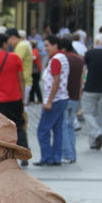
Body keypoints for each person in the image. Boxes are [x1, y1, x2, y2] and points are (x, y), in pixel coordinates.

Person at [0, 33, 29, 160]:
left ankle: (3, 155)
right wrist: (23, 97)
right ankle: (23, 153)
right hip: (15, 98)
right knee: (18, 126)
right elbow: (21, 80)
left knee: (0, 128)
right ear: (4, 44)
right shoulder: (15, 58)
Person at [34, 34, 69, 167]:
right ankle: (56, 157)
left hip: (55, 99)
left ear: (55, 45)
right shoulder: (62, 58)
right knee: (57, 129)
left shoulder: (55, 59)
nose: (46, 49)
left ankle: (47, 157)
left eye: (48, 46)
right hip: (62, 97)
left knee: (42, 130)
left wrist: (49, 100)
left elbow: (56, 80)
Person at [58, 35, 83, 163]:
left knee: (63, 125)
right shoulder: (79, 60)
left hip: (65, 96)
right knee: (70, 125)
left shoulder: (63, 59)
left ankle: (67, 154)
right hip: (75, 96)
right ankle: (72, 153)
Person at [6, 28, 33, 106]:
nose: (8, 43)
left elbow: (16, 63)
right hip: (23, 80)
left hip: (24, 81)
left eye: (8, 40)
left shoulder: (21, 46)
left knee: (22, 108)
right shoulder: (21, 45)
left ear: (13, 37)